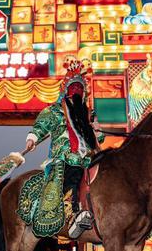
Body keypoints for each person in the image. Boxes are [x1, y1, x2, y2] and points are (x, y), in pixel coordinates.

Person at [23, 57, 104, 239]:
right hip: (64, 155)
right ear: (66, 91)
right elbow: (42, 125)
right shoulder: (55, 111)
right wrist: (33, 138)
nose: (77, 91)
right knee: (73, 169)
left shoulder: (88, 114)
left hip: (89, 156)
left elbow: (100, 138)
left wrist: (97, 131)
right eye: (73, 88)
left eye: (80, 89)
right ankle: (75, 214)